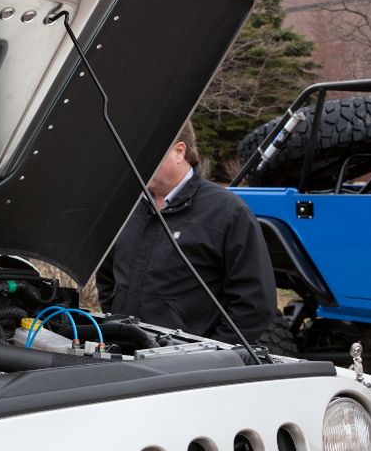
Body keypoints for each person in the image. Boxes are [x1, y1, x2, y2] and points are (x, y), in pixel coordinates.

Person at [96, 121, 277, 343]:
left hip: (186, 368)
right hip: (123, 351)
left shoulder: (228, 213)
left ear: (180, 151)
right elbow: (107, 276)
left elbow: (254, 304)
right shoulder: (124, 207)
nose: (136, 161)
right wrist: (117, 322)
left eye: (147, 152)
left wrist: (211, 353)